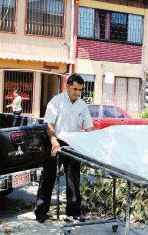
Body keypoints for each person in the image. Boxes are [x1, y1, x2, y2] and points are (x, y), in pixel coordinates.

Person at [34, 74, 95, 223]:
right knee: (48, 177)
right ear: (67, 86)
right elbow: (49, 124)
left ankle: (74, 212)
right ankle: (41, 211)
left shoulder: (82, 105)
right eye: (75, 89)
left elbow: (89, 128)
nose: (77, 93)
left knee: (73, 178)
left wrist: (95, 145)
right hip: (54, 140)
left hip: (72, 143)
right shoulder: (56, 102)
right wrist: (54, 141)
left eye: (80, 90)